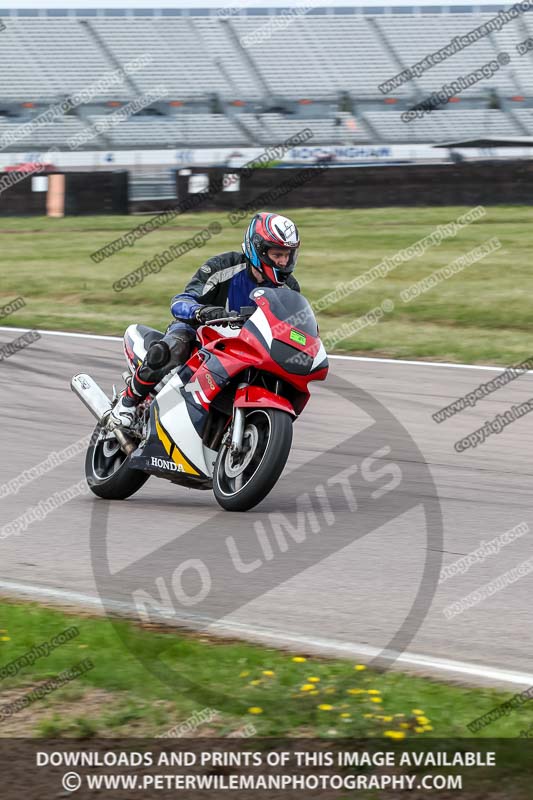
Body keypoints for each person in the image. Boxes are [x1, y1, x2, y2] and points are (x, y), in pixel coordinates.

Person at [106, 211, 301, 430]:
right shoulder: (223, 266)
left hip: (246, 348)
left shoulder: (290, 288)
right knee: (176, 345)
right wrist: (203, 311)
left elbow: (293, 323)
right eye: (277, 255)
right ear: (259, 250)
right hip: (202, 334)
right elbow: (181, 301)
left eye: (288, 255)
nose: (284, 261)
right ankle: (128, 403)